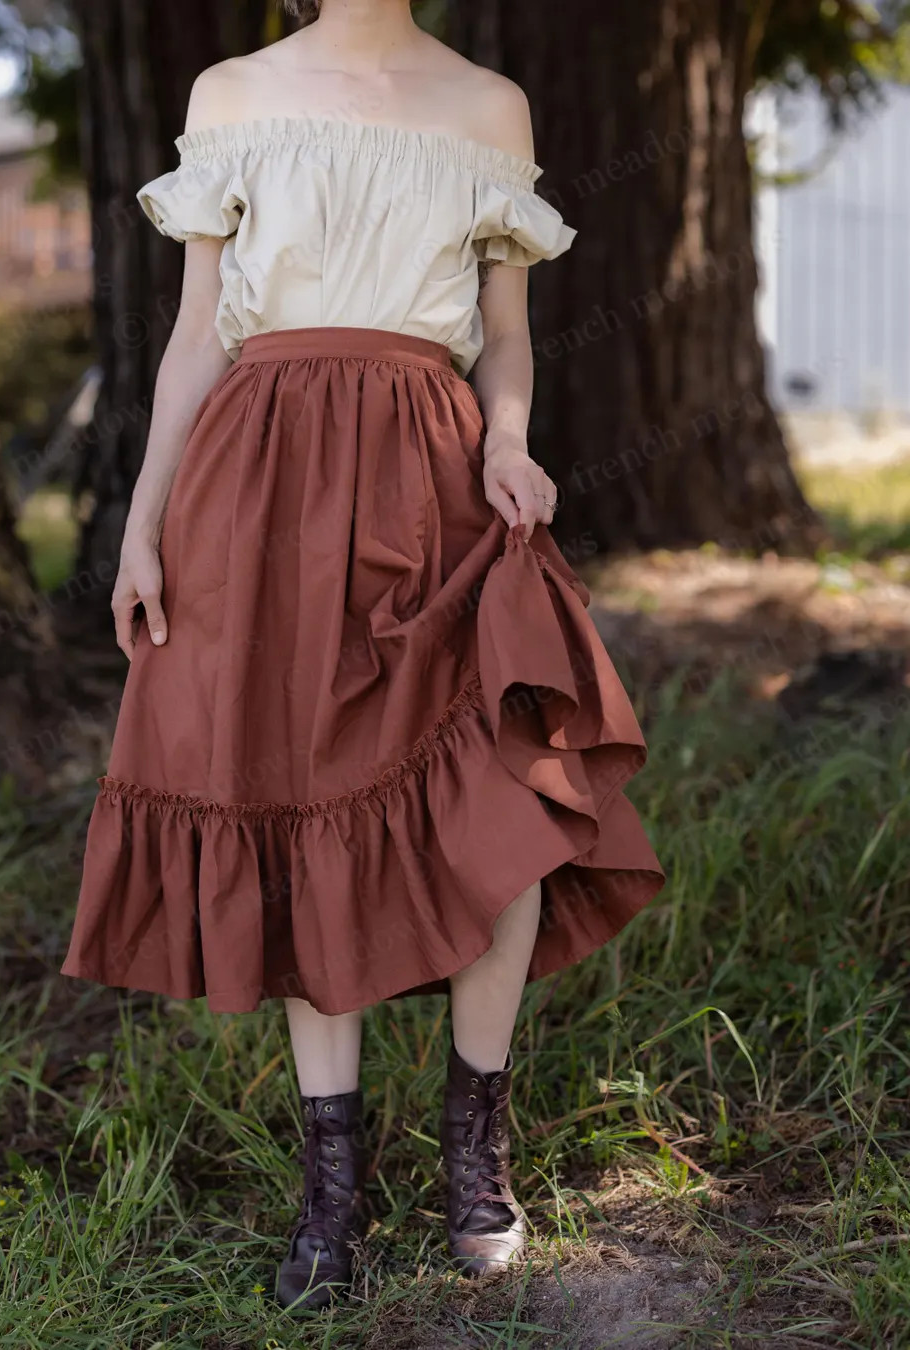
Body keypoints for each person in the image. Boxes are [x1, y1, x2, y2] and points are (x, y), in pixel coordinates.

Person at [61, 0, 664, 1311]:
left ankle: (473, 1140)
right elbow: (194, 335)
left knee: (504, 785)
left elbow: (504, 330)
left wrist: (508, 439)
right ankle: (332, 1182)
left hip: (430, 473)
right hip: (257, 485)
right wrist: (145, 522)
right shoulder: (231, 94)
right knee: (295, 790)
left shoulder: (487, 105)